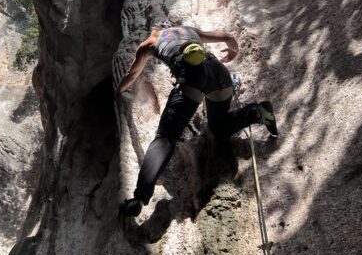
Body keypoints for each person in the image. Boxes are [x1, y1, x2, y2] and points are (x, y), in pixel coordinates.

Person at [116, 20, 277, 217]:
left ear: (157, 29)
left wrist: (120, 89)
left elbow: (132, 74)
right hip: (219, 72)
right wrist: (233, 51)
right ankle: (257, 112)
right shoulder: (187, 31)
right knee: (219, 127)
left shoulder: (150, 42)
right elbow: (227, 37)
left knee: (166, 136)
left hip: (193, 78)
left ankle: (139, 198)